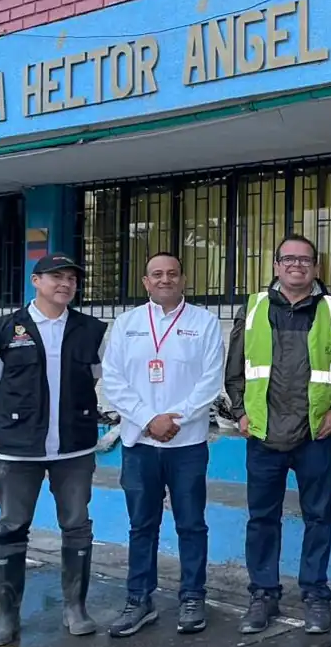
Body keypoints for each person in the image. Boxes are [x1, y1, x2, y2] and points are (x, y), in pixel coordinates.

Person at [224, 234, 331, 635]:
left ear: (316, 268)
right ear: (276, 266)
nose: (297, 266)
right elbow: (234, 370)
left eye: (305, 260)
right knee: (262, 519)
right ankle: (263, 594)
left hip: (314, 435)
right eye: (289, 259)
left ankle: (316, 595)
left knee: (318, 517)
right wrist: (240, 413)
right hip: (263, 435)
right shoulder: (253, 309)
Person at [0, 253, 107, 646]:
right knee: (12, 528)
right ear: (36, 281)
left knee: (77, 527)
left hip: (74, 450)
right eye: (56, 277)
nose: (65, 284)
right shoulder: (1, 329)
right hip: (17, 452)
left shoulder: (91, 330)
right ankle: (7, 617)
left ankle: (75, 607)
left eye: (71, 279)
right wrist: (25, 422)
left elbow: (95, 381)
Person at [101, 252, 225, 637]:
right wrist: (147, 419)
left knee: (191, 524)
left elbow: (210, 379)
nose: (165, 279)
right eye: (157, 274)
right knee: (142, 526)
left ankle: (192, 596)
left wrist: (176, 419)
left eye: (172, 273)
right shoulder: (127, 324)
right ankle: (139, 599)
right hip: (139, 443)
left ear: (183, 279)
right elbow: (113, 379)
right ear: (145, 281)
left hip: (187, 444)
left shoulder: (204, 323)